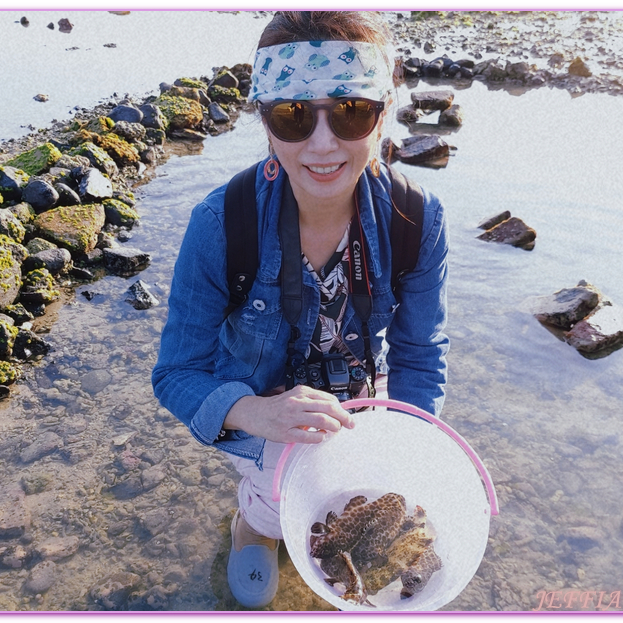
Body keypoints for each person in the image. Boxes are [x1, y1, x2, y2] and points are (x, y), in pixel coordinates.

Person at [152, 10, 448, 609]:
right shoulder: (220, 223)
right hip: (265, 402)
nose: (321, 143)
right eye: (292, 115)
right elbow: (175, 374)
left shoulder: (417, 219)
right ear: (263, 120)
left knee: (378, 500)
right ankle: (254, 527)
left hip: (363, 390)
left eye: (350, 111)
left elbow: (420, 354)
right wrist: (256, 412)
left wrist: (408, 449)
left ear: (383, 111)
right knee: (271, 497)